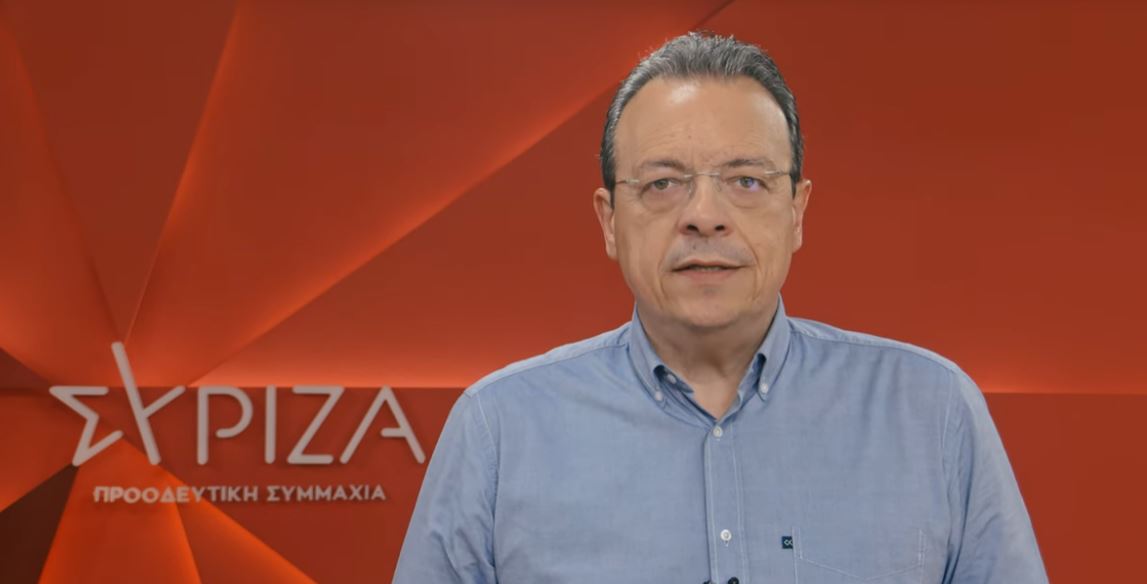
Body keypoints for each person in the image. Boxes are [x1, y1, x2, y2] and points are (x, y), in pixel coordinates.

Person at [393, 32, 1047, 584]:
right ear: (609, 220)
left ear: (796, 212)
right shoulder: (499, 428)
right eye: (662, 183)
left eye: (746, 181)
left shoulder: (931, 411)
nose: (704, 216)